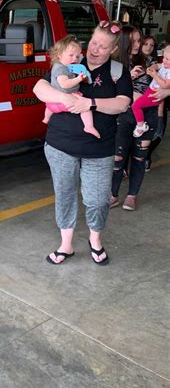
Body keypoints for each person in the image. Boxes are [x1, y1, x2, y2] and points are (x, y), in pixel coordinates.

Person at [33, 20, 132, 265]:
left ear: (113, 51)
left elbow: (123, 103)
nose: (95, 50)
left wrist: (90, 104)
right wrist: (66, 99)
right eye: (94, 43)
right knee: (65, 194)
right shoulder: (70, 62)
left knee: (98, 199)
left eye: (103, 47)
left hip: (98, 150)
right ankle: (66, 245)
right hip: (59, 144)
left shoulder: (118, 71)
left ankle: (95, 240)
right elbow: (39, 88)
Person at [110, 26, 159, 211]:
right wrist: (128, 79)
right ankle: (113, 195)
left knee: (139, 157)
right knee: (117, 157)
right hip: (122, 117)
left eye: (140, 41)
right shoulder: (113, 64)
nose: (138, 45)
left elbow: (161, 85)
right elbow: (108, 92)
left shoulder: (149, 62)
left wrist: (164, 90)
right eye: (134, 41)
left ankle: (132, 196)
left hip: (147, 116)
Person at [42, 35, 100, 139]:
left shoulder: (62, 66)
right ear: (60, 55)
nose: (75, 58)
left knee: (48, 105)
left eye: (77, 56)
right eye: (71, 55)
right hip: (66, 98)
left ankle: (46, 117)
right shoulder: (61, 69)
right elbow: (64, 84)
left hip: (52, 104)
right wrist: (79, 79)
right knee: (86, 107)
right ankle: (89, 126)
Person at [132, 45, 170, 136]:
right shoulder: (165, 66)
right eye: (164, 57)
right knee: (140, 105)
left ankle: (141, 126)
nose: (164, 60)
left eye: (167, 59)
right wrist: (152, 68)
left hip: (155, 94)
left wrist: (155, 76)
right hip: (151, 90)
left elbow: (165, 85)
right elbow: (157, 65)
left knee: (136, 106)